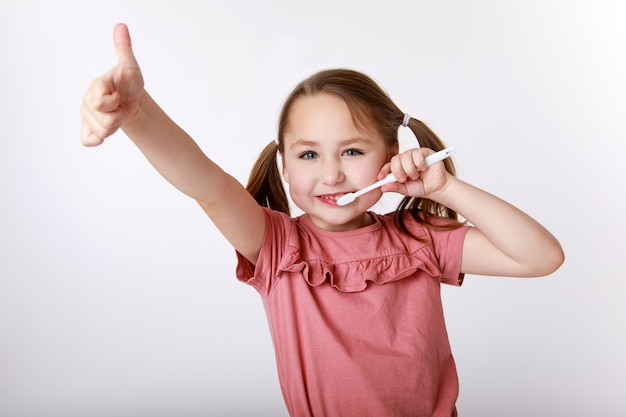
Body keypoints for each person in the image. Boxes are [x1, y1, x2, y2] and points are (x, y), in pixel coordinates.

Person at [80, 23, 564, 417]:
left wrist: (445, 189)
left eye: (352, 151)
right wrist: (139, 115)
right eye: (309, 154)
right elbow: (208, 185)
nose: (331, 173)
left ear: (391, 156)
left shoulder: (419, 240)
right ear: (285, 166)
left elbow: (541, 257)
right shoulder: (276, 246)